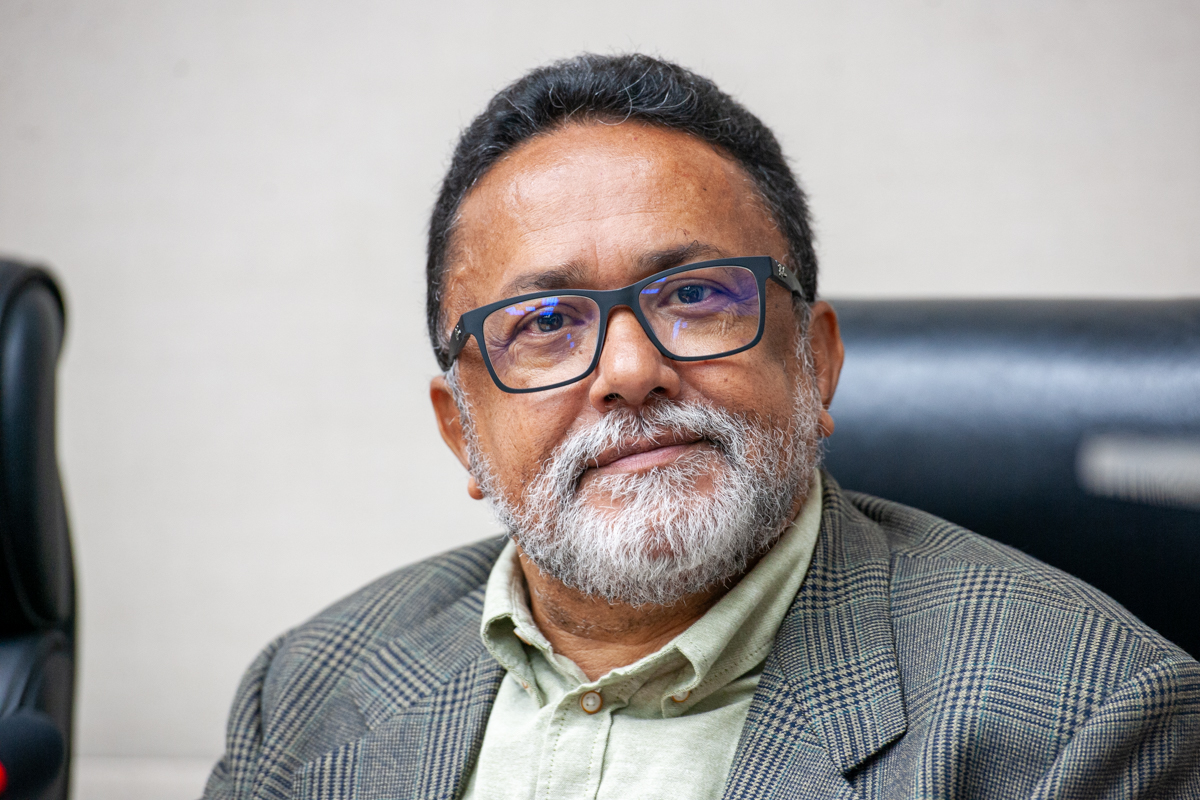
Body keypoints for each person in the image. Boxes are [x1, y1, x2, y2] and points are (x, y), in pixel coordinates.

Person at [203, 54, 1200, 800]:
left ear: (816, 360)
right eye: (544, 322)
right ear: (462, 432)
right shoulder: (306, 691)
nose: (630, 371)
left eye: (695, 296)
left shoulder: (1092, 716)